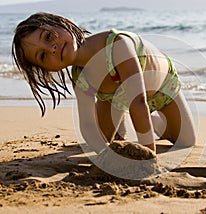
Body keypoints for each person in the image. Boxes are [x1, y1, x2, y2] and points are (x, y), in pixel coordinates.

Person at [12, 12, 196, 154]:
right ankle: (121, 121)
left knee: (185, 140)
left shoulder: (116, 45)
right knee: (103, 139)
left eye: (48, 36)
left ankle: (154, 121)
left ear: (62, 24)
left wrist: (148, 153)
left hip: (159, 88)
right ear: (48, 70)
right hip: (116, 97)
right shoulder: (80, 78)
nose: (52, 48)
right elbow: (87, 124)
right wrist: (103, 154)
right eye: (43, 56)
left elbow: (137, 101)